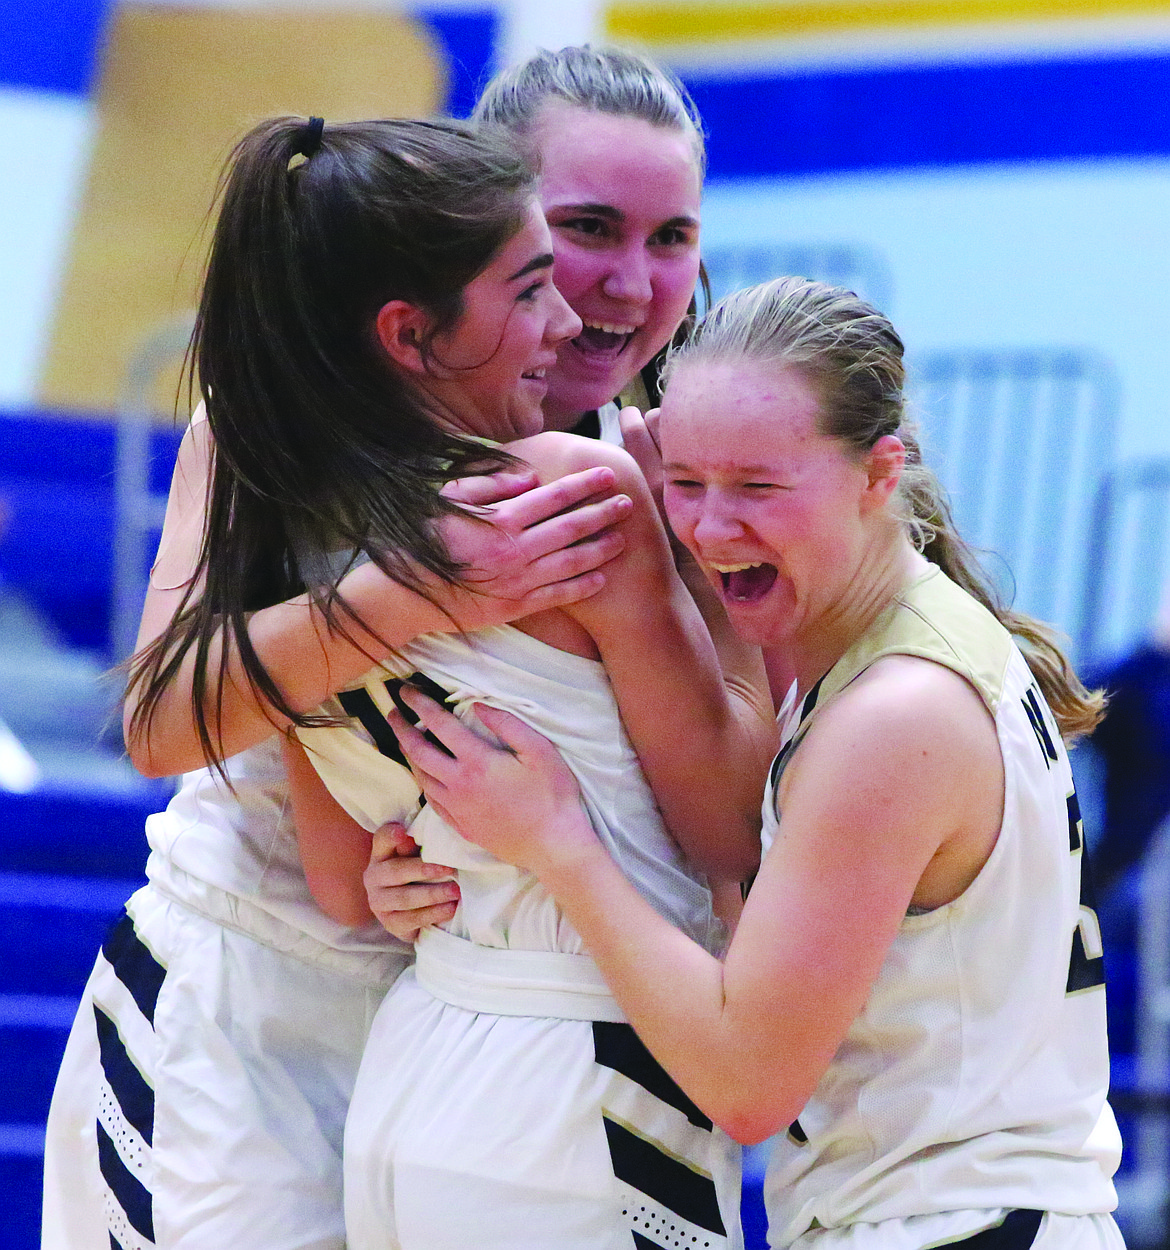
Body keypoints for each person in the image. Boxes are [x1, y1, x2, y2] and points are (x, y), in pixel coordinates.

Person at [387, 277, 1126, 1250]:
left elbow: (746, 1083)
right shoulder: (905, 641)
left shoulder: (892, 716)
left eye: (759, 486)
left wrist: (557, 844)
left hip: (949, 1221)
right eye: (684, 483)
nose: (709, 525)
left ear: (879, 472)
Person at [39, 113, 628, 1250]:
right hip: (236, 996)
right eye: (586, 233)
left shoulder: (626, 453)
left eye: (672, 237)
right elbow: (160, 718)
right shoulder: (270, 425)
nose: (620, 280)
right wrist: (423, 586)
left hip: (440, 1025)